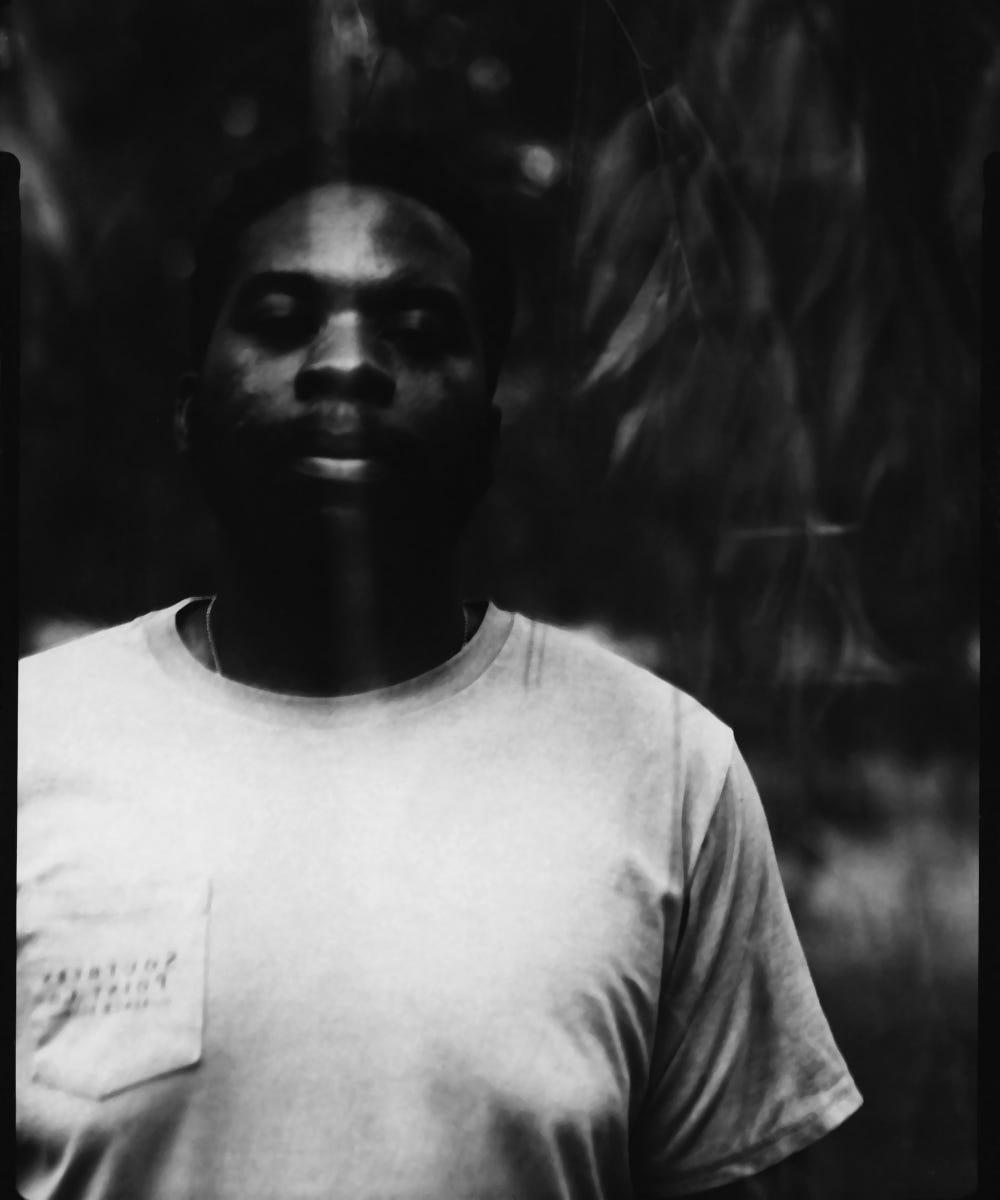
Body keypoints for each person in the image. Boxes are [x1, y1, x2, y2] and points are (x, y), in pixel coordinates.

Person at [17, 132, 861, 1200]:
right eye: (280, 319)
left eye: (417, 331)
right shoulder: (34, 742)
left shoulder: (663, 769)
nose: (346, 363)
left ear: (488, 431)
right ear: (189, 410)